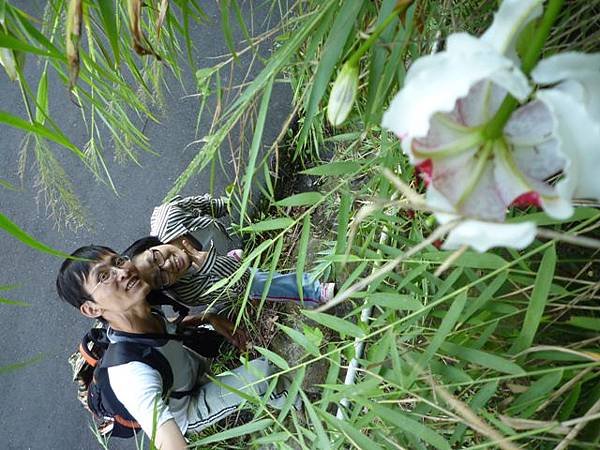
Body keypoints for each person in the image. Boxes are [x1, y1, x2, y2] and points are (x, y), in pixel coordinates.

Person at [56, 245, 293, 450]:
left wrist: (208, 318)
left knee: (227, 314)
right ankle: (299, 404)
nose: (122, 271)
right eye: (104, 276)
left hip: (184, 368)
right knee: (266, 374)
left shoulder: (140, 309)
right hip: (186, 405)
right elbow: (170, 443)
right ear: (91, 309)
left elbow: (165, 328)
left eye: (118, 261)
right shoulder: (130, 375)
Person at [124, 193, 335, 311]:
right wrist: (211, 264)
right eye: (161, 278)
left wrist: (224, 205)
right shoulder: (187, 291)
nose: (168, 266)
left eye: (155, 258)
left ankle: (231, 257)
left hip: (223, 243)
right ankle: (314, 292)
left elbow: (197, 203)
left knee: (235, 257)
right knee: (255, 283)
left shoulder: (168, 216)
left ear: (150, 245)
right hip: (222, 272)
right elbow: (241, 283)